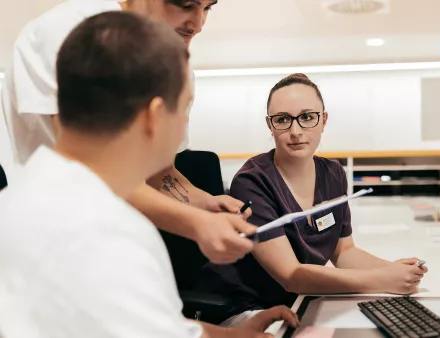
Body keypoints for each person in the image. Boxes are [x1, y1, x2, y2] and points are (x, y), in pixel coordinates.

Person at [0, 12, 298, 338]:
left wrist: (233, 335)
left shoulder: (23, 198)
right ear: (154, 116)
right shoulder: (111, 236)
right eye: (184, 108)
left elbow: (138, 323)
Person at [0, 0, 254, 265]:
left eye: (207, 8)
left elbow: (159, 172)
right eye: (186, 4)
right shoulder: (68, 32)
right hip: (55, 239)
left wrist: (206, 204)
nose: (199, 25)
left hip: (119, 241)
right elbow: (88, 165)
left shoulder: (174, 65)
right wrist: (195, 223)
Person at [197, 73, 429, 325]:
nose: (295, 131)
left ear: (323, 120)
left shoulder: (334, 175)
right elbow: (291, 275)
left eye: (307, 117)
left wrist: (397, 272)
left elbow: (344, 252)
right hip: (248, 309)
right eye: (283, 120)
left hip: (302, 301)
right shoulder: (252, 182)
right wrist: (383, 279)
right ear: (270, 125)